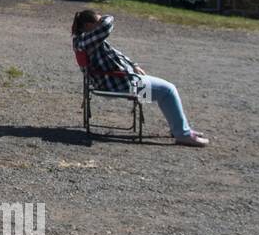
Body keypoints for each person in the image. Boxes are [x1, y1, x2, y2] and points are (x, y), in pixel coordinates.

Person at [71, 9, 209, 146]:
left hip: (120, 82)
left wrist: (133, 65)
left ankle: (179, 129)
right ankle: (182, 134)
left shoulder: (86, 40)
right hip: (122, 86)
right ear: (88, 25)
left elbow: (115, 54)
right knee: (168, 91)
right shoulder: (85, 40)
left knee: (164, 91)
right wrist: (104, 18)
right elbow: (107, 24)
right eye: (97, 22)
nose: (100, 24)